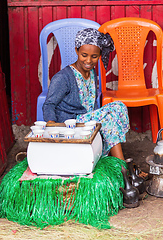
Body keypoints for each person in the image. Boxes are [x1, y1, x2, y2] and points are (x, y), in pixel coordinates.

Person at [42, 28, 130, 160]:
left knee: (119, 107)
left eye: (94, 56)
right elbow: (49, 104)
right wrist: (52, 126)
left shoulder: (91, 73)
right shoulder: (63, 78)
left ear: (99, 55)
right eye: (84, 55)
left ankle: (106, 151)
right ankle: (122, 166)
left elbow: (91, 103)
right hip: (70, 124)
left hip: (86, 119)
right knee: (109, 119)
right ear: (77, 51)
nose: (88, 61)